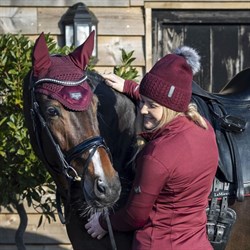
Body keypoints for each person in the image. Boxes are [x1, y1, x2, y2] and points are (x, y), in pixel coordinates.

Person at [85, 46, 219, 250]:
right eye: (143, 101)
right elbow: (164, 98)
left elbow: (135, 217)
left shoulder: (157, 154)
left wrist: (104, 223)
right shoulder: (205, 129)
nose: (143, 109)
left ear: (170, 106)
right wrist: (131, 87)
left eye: (151, 105)